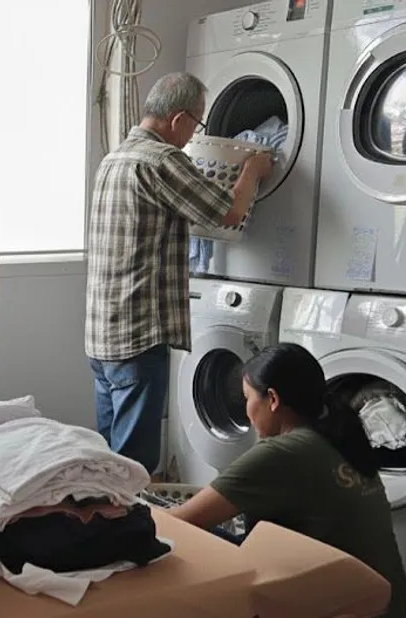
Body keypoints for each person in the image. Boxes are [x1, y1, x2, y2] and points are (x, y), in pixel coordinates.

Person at [85, 71, 274, 473]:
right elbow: (228, 211)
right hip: (137, 336)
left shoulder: (115, 158)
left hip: (102, 334)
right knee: (135, 464)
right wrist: (253, 170)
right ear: (179, 117)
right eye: (197, 122)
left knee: (108, 457)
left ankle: (106, 529)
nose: (194, 134)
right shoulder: (163, 160)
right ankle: (132, 531)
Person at [168, 343, 406, 618]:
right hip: (383, 603)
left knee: (184, 548)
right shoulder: (341, 433)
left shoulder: (282, 453)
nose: (246, 410)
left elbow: (181, 524)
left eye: (247, 399)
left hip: (340, 606)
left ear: (272, 399)